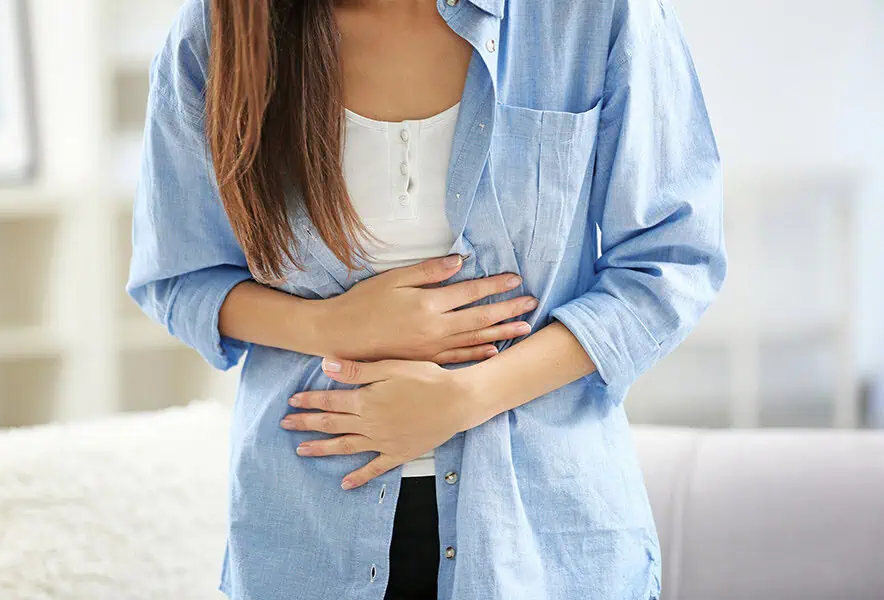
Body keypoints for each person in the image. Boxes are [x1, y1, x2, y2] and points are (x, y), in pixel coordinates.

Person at [126, 0, 726, 598]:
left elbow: (668, 262)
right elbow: (179, 276)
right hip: (303, 538)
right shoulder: (218, 30)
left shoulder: (591, 15)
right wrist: (333, 326)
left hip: (543, 541)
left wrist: (470, 396)